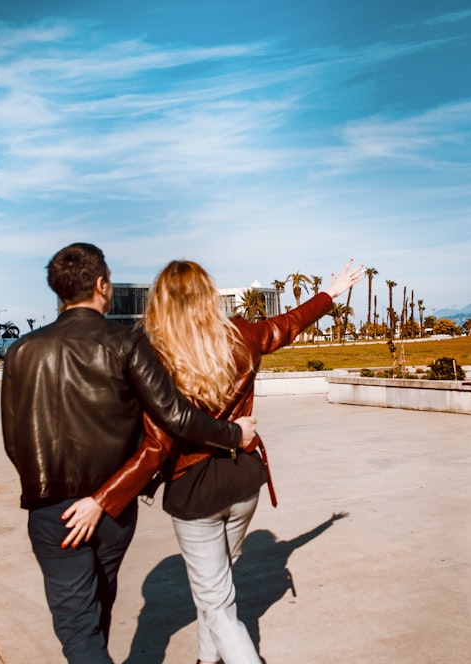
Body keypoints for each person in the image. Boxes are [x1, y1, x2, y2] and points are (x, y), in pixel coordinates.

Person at [61, 258, 364, 664]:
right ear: (208, 296)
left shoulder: (156, 356)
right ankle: (207, 659)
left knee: (216, 603)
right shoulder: (240, 334)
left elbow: (155, 446)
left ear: (161, 303)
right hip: (243, 481)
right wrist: (331, 293)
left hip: (194, 491)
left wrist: (103, 499)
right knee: (218, 588)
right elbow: (287, 325)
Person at [1, 243, 257, 663]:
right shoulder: (126, 343)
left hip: (52, 512)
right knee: (97, 607)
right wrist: (232, 435)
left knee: (78, 625)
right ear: (102, 285)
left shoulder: (22, 350)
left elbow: (15, 440)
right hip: (113, 508)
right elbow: (173, 418)